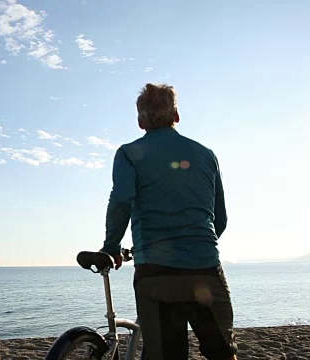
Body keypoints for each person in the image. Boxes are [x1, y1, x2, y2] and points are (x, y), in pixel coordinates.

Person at [100, 83, 238, 360]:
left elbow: (122, 200)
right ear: (177, 116)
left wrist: (112, 246)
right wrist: (195, 246)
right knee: (223, 352)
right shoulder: (206, 155)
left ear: (141, 121)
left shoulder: (128, 154)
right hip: (204, 269)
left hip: (155, 274)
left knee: (165, 354)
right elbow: (219, 219)